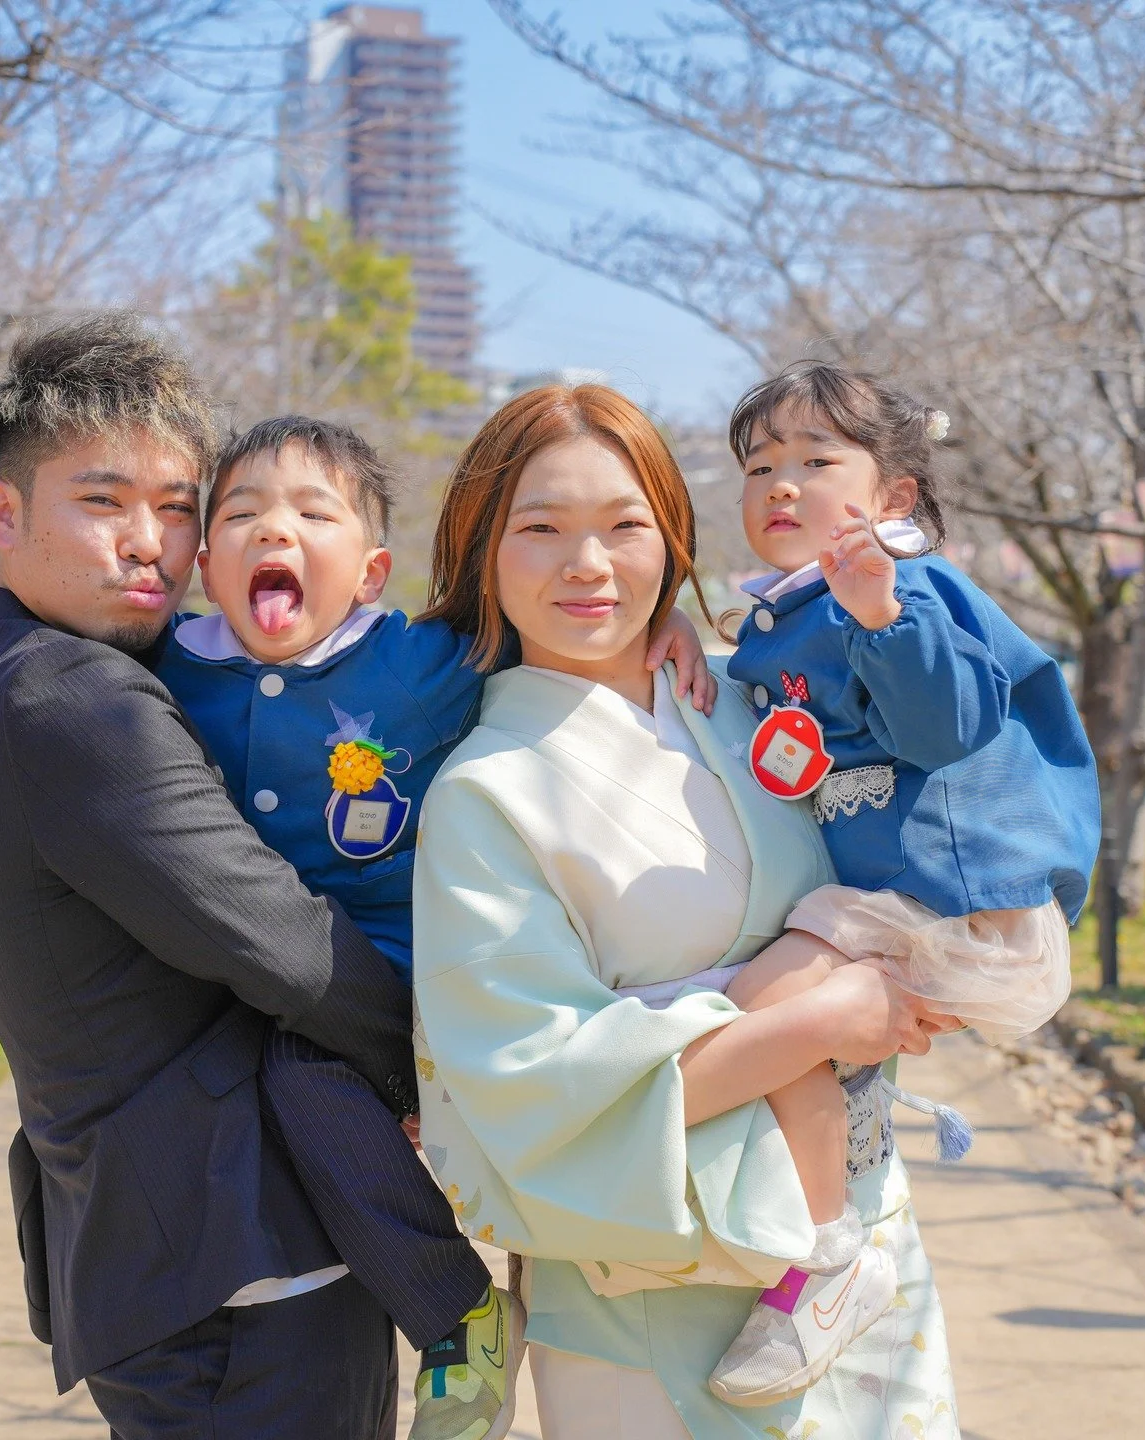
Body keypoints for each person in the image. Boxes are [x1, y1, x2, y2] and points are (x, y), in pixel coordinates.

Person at [0, 400, 713, 1439]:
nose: (274, 532)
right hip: (294, 1005)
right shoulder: (169, 665)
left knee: (307, 1085)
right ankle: (461, 1314)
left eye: (312, 516)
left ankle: (469, 1310)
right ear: (205, 563)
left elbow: (561, 618)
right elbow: (24, 608)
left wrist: (664, 619)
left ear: (370, 571)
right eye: (239, 514)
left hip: (405, 968)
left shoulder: (422, 662)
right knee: (302, 1090)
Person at [0, 313, 419, 1440]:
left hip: (176, 1248)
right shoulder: (72, 698)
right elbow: (282, 942)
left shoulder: (22, 661)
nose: (149, 542)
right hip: (234, 1266)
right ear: (6, 513)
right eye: (102, 502)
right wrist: (442, 1066)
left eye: (178, 507)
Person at [411, 382, 962, 1439]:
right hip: (660, 1308)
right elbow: (535, 1095)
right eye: (542, 530)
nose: (589, 565)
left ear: (671, 540)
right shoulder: (488, 792)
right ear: (482, 551)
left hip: (863, 1258)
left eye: (626, 527)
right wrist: (823, 1022)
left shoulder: (746, 700)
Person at [703, 361, 1099, 1404]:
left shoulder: (903, 587)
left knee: (756, 1011)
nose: (781, 484)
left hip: (964, 897)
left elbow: (948, 726)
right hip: (892, 897)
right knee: (760, 1015)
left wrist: (880, 613)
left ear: (894, 499)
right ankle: (830, 1231)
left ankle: (828, 1253)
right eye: (759, 466)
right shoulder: (780, 616)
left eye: (815, 461)